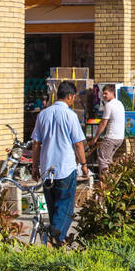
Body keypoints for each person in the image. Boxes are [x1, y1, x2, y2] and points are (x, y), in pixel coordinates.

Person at [30, 80, 88, 248]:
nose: (73, 101)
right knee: (66, 209)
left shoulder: (43, 114)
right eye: (73, 98)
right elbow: (78, 144)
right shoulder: (71, 116)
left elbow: (36, 143)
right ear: (69, 96)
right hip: (65, 168)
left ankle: (56, 242)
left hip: (47, 169)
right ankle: (53, 238)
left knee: (54, 208)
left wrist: (35, 167)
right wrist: (83, 164)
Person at [92, 83, 126, 177]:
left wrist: (95, 138)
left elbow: (103, 123)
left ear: (112, 93)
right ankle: (112, 181)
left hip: (111, 137)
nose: (103, 96)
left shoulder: (109, 105)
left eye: (106, 93)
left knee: (102, 159)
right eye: (103, 93)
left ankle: (105, 183)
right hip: (119, 138)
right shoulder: (120, 103)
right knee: (108, 160)